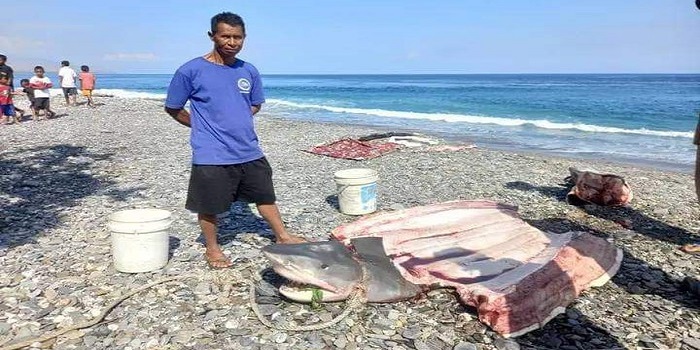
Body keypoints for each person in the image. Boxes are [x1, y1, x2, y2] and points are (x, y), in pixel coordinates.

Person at [164, 12, 306, 269]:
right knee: (209, 204)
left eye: (237, 37)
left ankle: (283, 236)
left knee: (265, 196)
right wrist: (202, 126)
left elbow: (254, 104)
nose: (232, 42)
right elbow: (173, 107)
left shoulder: (248, 70)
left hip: (249, 149)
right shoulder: (190, 71)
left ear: (244, 38)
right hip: (211, 152)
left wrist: (235, 120)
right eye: (225, 36)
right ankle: (213, 249)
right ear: (212, 36)